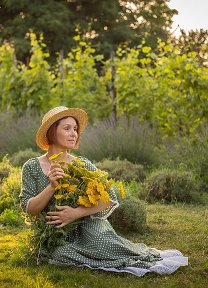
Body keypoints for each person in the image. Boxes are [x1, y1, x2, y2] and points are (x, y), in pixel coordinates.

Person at [20, 106, 188, 276]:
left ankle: (110, 248)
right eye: (67, 128)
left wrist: (75, 213)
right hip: (55, 234)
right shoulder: (32, 167)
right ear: (51, 132)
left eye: (75, 129)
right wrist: (52, 187)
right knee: (59, 254)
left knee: (100, 241)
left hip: (87, 226)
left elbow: (109, 198)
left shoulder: (82, 165)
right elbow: (29, 208)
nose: (74, 134)